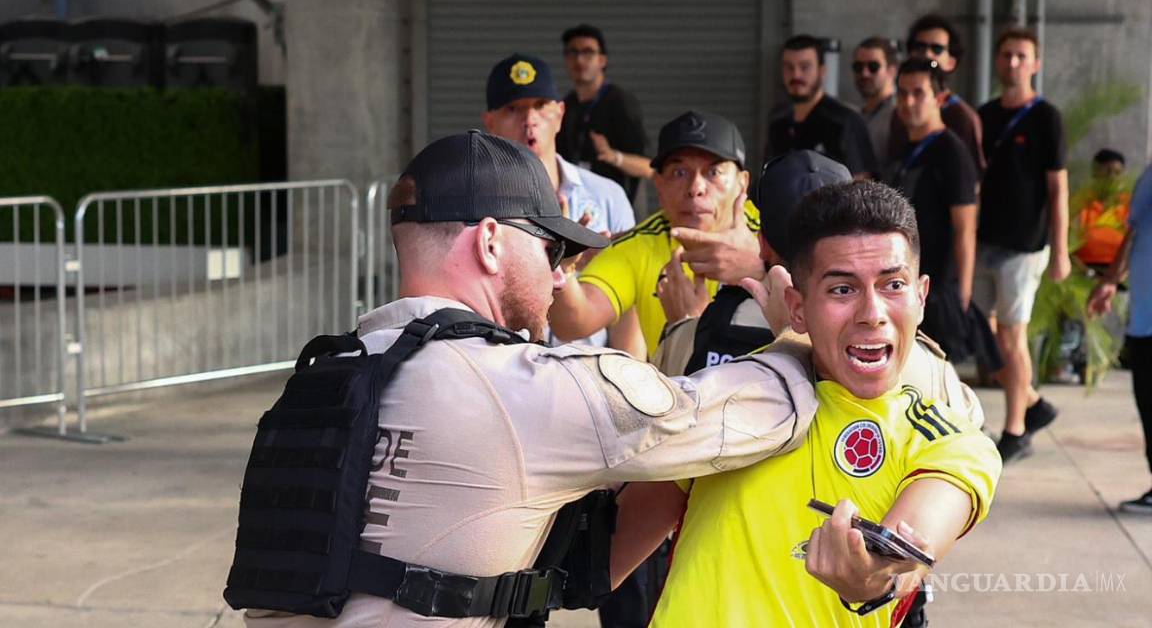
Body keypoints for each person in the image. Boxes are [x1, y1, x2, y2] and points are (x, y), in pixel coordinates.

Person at [241, 130, 823, 627]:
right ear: (490, 243)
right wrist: (799, 325)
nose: (560, 276)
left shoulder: (323, 379)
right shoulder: (523, 386)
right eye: (552, 250)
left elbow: (568, 565)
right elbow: (759, 412)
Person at [621, 181, 1002, 627]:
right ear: (797, 307)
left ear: (921, 296)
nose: (872, 313)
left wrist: (872, 577)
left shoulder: (951, 441)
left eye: (893, 284)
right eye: (842, 289)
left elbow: (910, 550)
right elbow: (603, 559)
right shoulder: (723, 399)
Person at [549, 110, 764, 359]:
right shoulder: (640, 244)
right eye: (679, 173)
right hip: (679, 385)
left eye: (713, 172)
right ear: (659, 184)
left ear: (742, 182)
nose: (695, 188)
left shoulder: (774, 236)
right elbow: (572, 324)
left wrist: (761, 269)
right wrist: (562, 266)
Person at [483, 53, 640, 355]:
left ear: (560, 113)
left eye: (540, 105)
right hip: (507, 366)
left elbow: (627, 311)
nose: (530, 120)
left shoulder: (607, 196)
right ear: (490, 122)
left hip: (590, 368)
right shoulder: (477, 205)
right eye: (513, 108)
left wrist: (629, 375)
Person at [976, 27, 1070, 463]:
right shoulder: (985, 115)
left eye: (1021, 56)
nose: (1013, 63)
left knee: (1012, 337)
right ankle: (1033, 402)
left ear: (1035, 63)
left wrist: (1060, 250)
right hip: (984, 241)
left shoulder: (1046, 117)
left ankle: (1016, 430)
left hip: (1025, 246)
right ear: (998, 61)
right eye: (1007, 55)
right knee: (984, 334)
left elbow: (1058, 189)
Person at [889, 58, 1001, 370]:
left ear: (939, 98)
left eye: (918, 93)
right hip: (910, 275)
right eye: (903, 93)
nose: (909, 102)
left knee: (939, 372)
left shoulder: (952, 151)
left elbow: (965, 227)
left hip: (941, 283)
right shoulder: (904, 147)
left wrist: (962, 292)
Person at [1089, 160, 1152, 513]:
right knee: (1147, 401)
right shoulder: (1150, 176)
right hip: (1144, 318)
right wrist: (1111, 280)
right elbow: (1135, 231)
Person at [556, 24, 648, 202]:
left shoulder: (620, 102)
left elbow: (648, 167)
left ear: (602, 60)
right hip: (579, 206)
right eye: (573, 52)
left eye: (588, 52)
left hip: (617, 207)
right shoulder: (565, 105)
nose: (579, 60)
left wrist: (614, 157)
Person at [766, 34, 877, 178]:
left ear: (822, 71)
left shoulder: (846, 121)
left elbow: (863, 181)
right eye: (789, 67)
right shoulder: (777, 121)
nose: (796, 75)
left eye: (805, 67)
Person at [890, 14, 986, 172]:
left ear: (951, 62)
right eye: (920, 47)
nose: (927, 54)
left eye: (937, 49)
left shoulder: (962, 117)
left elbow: (971, 178)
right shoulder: (900, 110)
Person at [1075, 148, 1130, 269]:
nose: (1112, 177)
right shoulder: (1081, 202)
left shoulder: (1129, 204)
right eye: (1107, 171)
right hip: (1083, 269)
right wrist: (1087, 272)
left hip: (1121, 269)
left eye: (1117, 173)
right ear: (1095, 173)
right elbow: (1066, 245)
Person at [853, 37, 899, 168]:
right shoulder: (857, 114)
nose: (864, 73)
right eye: (858, 67)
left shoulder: (900, 113)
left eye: (873, 67)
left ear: (892, 71)